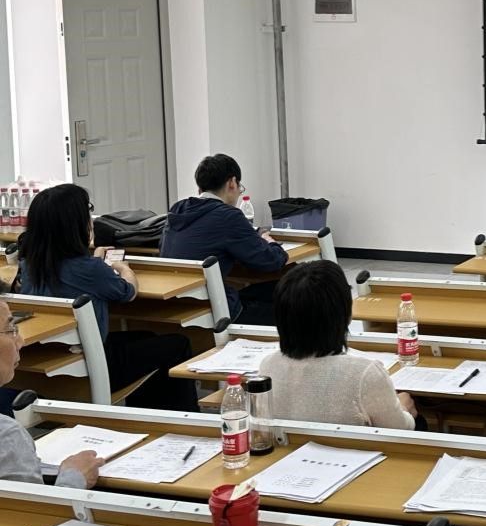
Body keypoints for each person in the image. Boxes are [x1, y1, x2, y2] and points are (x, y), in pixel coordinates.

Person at [18, 184, 197, 412]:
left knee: (146, 337)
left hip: (53, 360)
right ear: (76, 225)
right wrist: (123, 268)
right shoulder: (90, 269)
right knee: (178, 344)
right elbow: (128, 291)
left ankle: (144, 416)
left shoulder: (28, 266)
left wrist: (96, 262)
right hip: (92, 365)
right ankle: (174, 420)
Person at [258, 260, 416, 429]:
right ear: (346, 314)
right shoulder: (365, 373)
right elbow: (400, 429)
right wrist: (404, 407)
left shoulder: (268, 366)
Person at [160, 153, 287, 325]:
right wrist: (268, 240)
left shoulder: (178, 209)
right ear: (232, 183)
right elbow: (271, 261)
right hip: (218, 308)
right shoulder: (228, 215)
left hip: (181, 302)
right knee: (292, 297)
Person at [0, 295, 101, 487]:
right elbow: (29, 506)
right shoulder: (7, 436)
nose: (20, 341)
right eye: (10, 330)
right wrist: (74, 477)